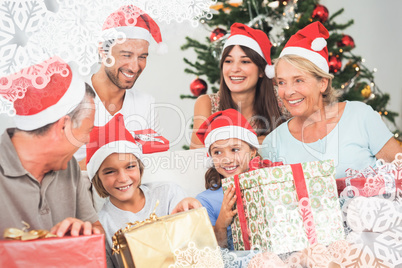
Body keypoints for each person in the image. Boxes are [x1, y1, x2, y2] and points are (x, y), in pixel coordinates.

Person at [261, 21, 402, 178]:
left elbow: (400, 171)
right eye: (281, 82)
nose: (288, 92)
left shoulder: (360, 116)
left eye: (298, 80)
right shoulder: (273, 143)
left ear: (322, 83)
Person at [0, 56, 103, 236]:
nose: (87, 140)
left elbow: (96, 231)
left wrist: (84, 233)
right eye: (88, 130)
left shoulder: (68, 166)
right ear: (64, 126)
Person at [86, 113, 201, 267]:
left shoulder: (168, 193)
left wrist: (191, 212)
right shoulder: (103, 224)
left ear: (139, 167)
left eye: (130, 167)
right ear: (97, 178)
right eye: (110, 172)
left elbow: (196, 243)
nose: (123, 178)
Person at [75, 5, 166, 163]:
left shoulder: (146, 104)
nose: (134, 66)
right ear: (103, 52)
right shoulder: (73, 98)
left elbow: (153, 163)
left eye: (142, 57)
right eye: (126, 55)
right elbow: (52, 169)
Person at [191, 23, 284, 149]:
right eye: (228, 61)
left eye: (245, 61)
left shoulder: (281, 98)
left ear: (261, 71)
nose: (234, 69)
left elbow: (305, 136)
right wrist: (256, 141)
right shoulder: (207, 103)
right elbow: (197, 153)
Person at [195, 109, 262, 249]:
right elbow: (213, 253)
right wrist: (221, 224)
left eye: (235, 149)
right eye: (217, 152)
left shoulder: (267, 183)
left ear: (252, 151)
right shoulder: (205, 201)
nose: (227, 159)